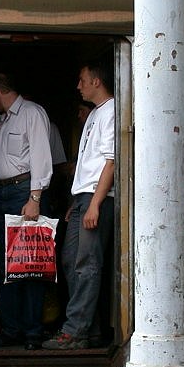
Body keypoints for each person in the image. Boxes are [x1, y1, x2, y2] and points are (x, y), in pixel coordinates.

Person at [43, 63, 115, 350]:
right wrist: (77, 202)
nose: (78, 86)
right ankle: (91, 327)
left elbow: (111, 162)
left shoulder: (111, 112)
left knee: (87, 263)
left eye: (82, 80)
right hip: (83, 197)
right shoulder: (96, 113)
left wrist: (95, 203)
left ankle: (75, 331)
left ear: (96, 81)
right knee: (72, 260)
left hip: (97, 198)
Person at [0, 73, 53, 350]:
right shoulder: (7, 120)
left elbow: (41, 157)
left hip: (24, 192)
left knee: (31, 264)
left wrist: (35, 197)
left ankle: (32, 331)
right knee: (7, 265)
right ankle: (12, 328)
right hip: (5, 193)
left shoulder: (31, 113)